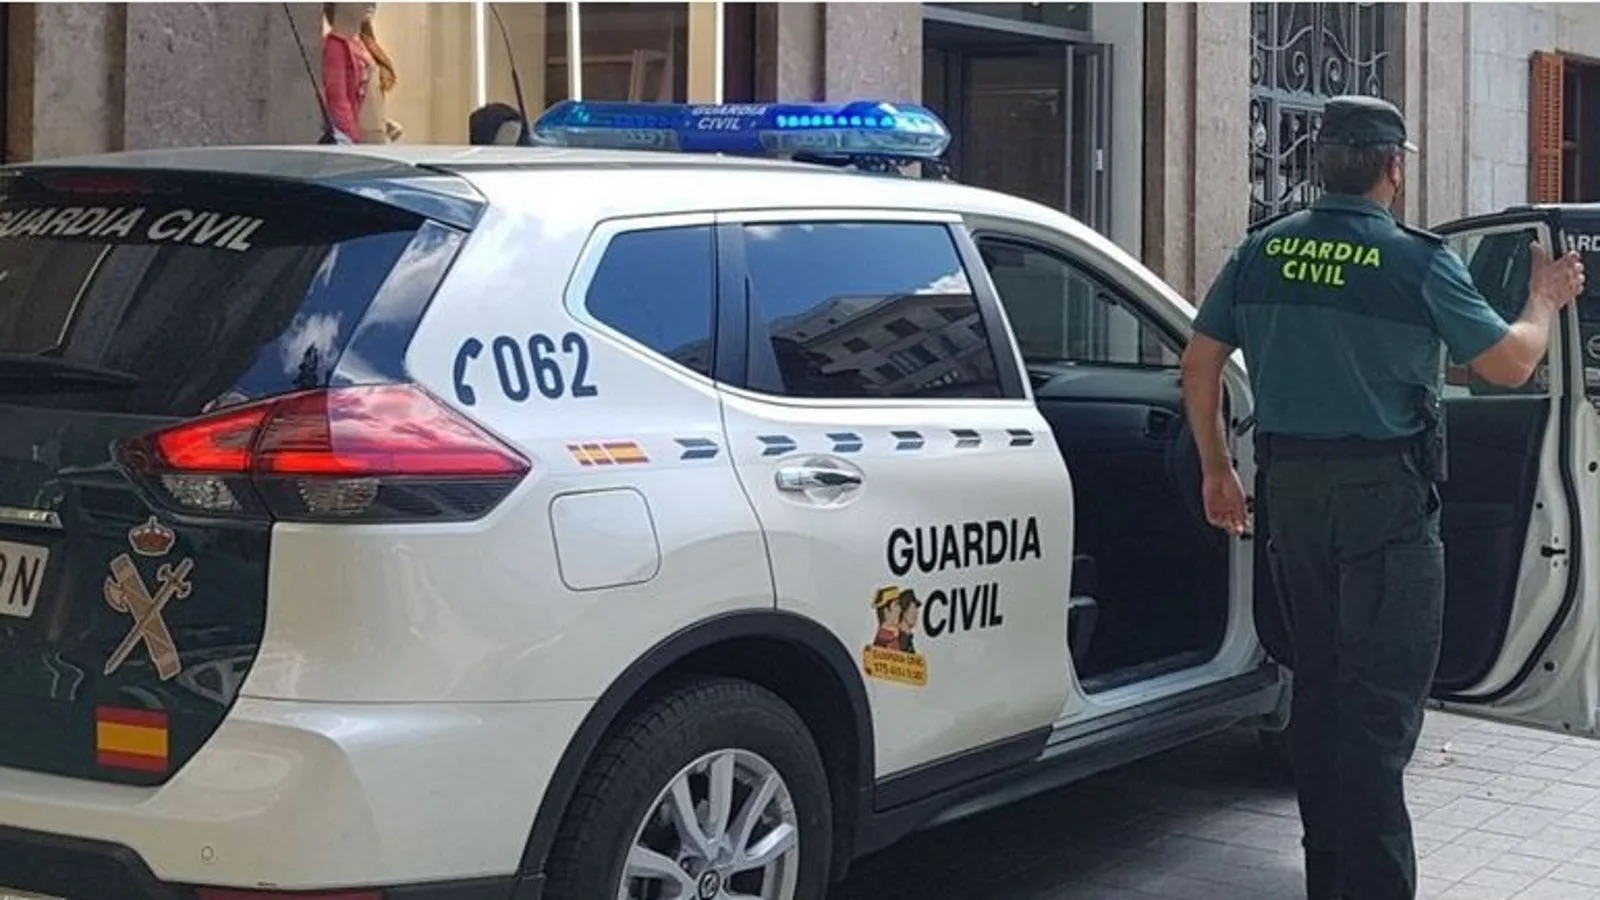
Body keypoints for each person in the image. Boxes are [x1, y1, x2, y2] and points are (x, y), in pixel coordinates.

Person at [1179, 95, 1585, 900]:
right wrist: (1543, 300)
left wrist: (1218, 469)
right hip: (1385, 508)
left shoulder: (1262, 253)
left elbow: (1199, 362)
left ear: (1321, 163)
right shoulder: (1417, 260)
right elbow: (1508, 367)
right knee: (1381, 714)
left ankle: (1328, 881)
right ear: (1394, 167)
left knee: (1322, 695)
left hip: (1291, 497)